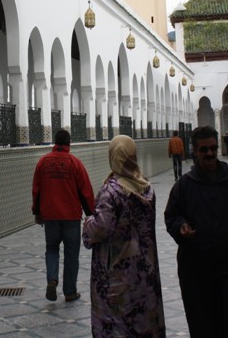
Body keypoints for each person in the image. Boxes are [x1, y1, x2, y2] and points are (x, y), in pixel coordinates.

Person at [164, 126, 228, 338]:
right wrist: (181, 227)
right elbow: (172, 216)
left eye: (212, 149)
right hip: (198, 271)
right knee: (204, 324)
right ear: (195, 151)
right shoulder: (184, 186)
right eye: (204, 149)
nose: (209, 154)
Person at [83, 135, 166, 337]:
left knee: (117, 325)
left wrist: (87, 224)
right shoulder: (146, 187)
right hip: (145, 271)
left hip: (117, 274)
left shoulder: (111, 191)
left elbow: (100, 228)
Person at [31, 129, 95, 302]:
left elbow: (36, 190)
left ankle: (52, 280)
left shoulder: (43, 162)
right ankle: (70, 292)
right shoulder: (75, 163)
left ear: (55, 142)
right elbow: (85, 191)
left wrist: (37, 212)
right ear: (69, 143)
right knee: (71, 253)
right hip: (71, 217)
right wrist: (91, 213)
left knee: (51, 249)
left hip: (50, 215)